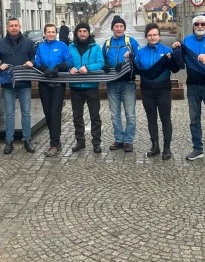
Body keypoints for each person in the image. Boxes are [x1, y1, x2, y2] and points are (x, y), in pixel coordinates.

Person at [172, 14, 205, 164]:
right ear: (194, 26)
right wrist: (176, 49)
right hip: (193, 85)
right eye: (197, 24)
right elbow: (181, 58)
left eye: (203, 24)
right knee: (194, 120)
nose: (200, 27)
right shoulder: (187, 40)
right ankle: (197, 148)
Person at [134, 22, 180, 160]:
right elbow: (136, 68)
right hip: (147, 90)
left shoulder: (167, 51)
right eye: (150, 35)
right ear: (146, 37)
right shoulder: (141, 52)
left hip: (163, 90)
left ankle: (167, 147)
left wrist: (176, 53)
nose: (153, 37)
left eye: (155, 35)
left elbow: (175, 68)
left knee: (165, 119)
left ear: (159, 36)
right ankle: (155, 145)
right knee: (151, 119)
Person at [0, 18, 37, 154]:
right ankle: (9, 141)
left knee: (26, 113)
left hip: (24, 82)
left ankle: (27, 140)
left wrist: (32, 62)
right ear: (7, 28)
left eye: (16, 25)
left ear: (20, 26)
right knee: (10, 114)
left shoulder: (28, 42)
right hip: (7, 83)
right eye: (11, 25)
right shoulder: (0, 43)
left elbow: (35, 57)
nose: (14, 28)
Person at [103, 15, 140, 152]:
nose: (119, 29)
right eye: (116, 26)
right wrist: (105, 65)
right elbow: (102, 60)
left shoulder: (131, 42)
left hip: (128, 83)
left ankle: (129, 140)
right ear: (112, 28)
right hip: (112, 83)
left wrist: (130, 59)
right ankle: (119, 139)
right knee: (114, 114)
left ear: (124, 28)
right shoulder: (107, 43)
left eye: (121, 26)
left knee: (130, 114)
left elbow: (139, 58)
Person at [35, 23, 73, 157]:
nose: (51, 34)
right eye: (48, 32)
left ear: (56, 33)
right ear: (44, 34)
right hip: (44, 84)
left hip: (58, 84)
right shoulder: (40, 47)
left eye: (53, 32)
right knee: (47, 113)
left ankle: (54, 143)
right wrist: (43, 68)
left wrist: (59, 67)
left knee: (55, 112)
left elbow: (69, 62)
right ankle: (56, 140)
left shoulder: (62, 46)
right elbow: (37, 62)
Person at [68, 22, 105, 153]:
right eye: (80, 31)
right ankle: (80, 141)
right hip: (75, 87)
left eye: (85, 31)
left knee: (94, 115)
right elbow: (66, 60)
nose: (82, 33)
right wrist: (69, 67)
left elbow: (101, 63)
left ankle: (96, 142)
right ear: (76, 33)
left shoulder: (95, 47)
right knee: (77, 116)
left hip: (91, 86)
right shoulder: (70, 47)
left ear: (89, 33)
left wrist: (89, 68)